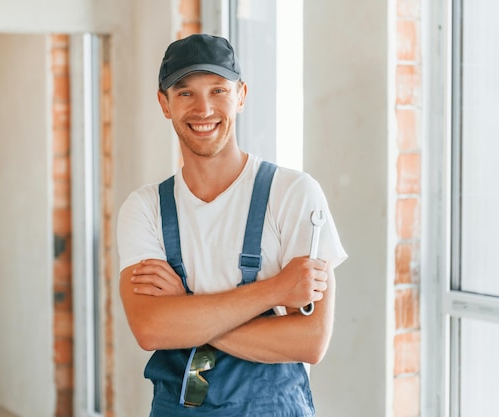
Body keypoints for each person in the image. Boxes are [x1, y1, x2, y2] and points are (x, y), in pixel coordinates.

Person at [118, 33, 347, 417]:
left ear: (241, 95)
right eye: (185, 93)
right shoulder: (144, 209)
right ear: (164, 104)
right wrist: (276, 289)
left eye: (218, 90)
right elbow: (150, 329)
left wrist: (185, 313)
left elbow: (310, 340)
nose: (203, 108)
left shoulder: (293, 194)